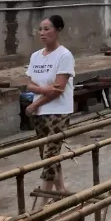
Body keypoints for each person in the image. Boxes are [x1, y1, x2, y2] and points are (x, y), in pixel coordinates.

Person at [25, 15, 75, 202]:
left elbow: (58, 89)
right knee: (47, 156)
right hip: (40, 113)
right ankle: (61, 191)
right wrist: (43, 89)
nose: (43, 33)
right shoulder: (36, 56)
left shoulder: (64, 56)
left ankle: (41, 206)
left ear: (58, 30)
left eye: (47, 29)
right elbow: (29, 84)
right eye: (40, 29)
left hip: (57, 111)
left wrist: (35, 103)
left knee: (50, 156)